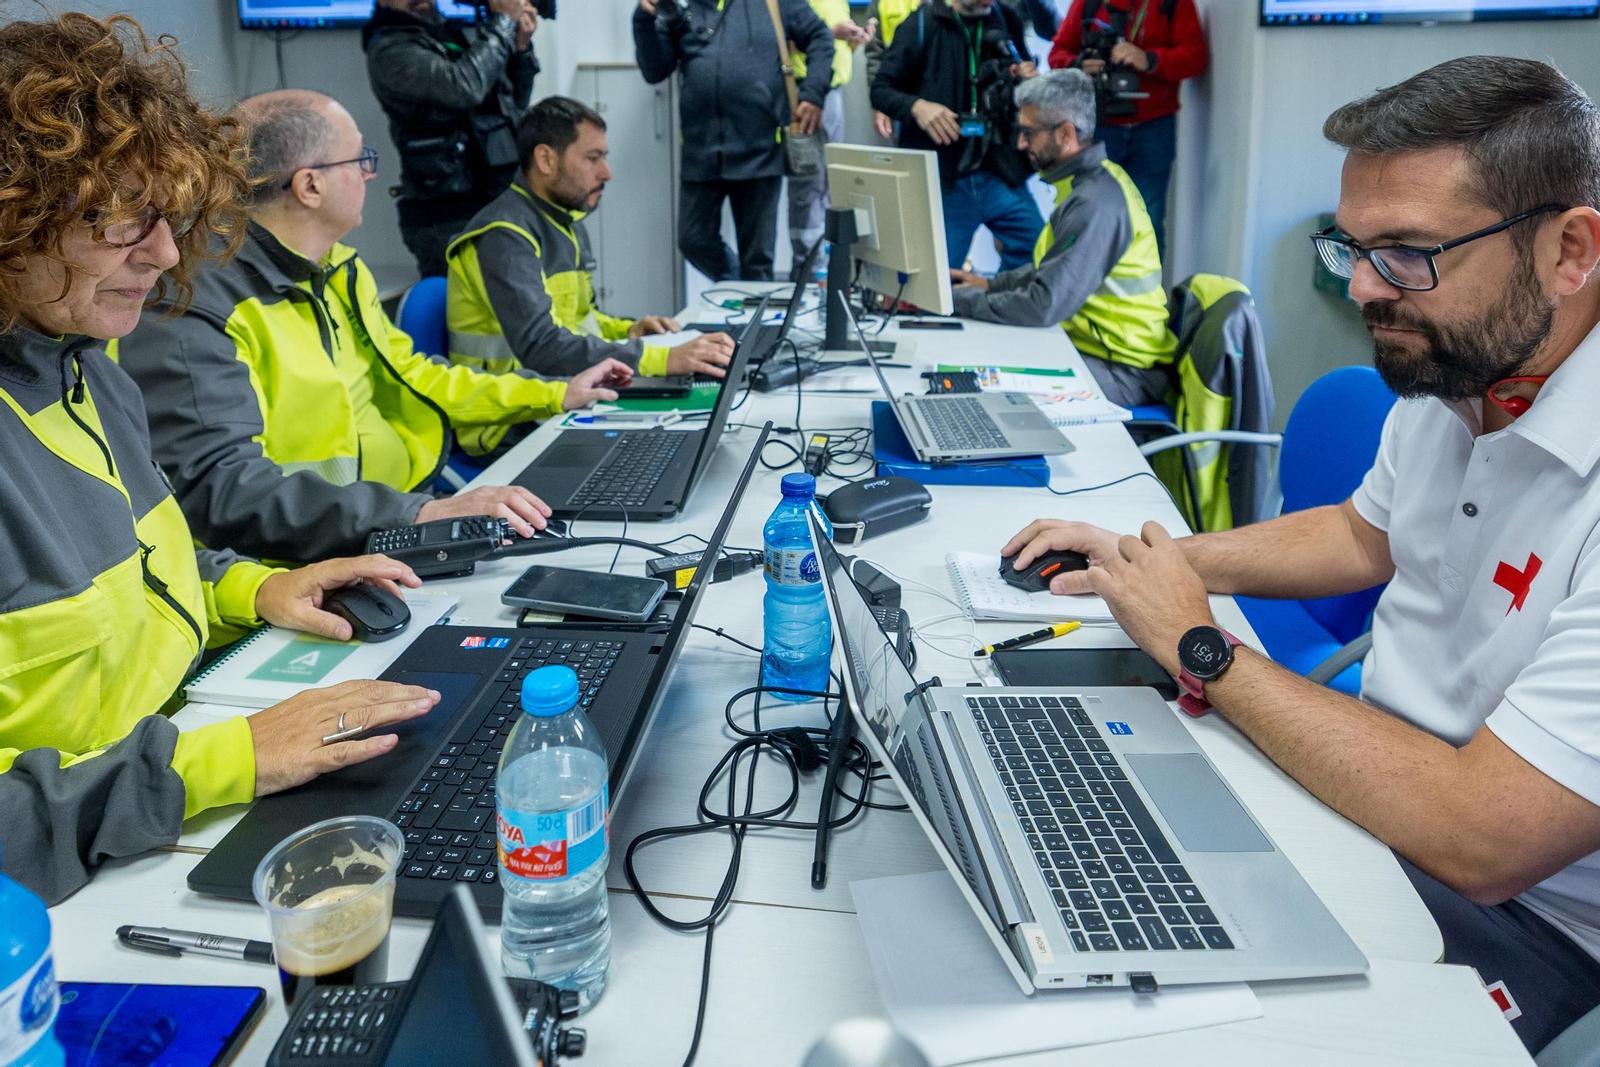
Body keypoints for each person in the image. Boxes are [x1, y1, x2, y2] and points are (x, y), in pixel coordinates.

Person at [1003, 57, 1600, 1056]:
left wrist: (1202, 648)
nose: (1364, 288)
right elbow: (1363, 533)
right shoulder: (1465, 374)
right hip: (1375, 808)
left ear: (1569, 249)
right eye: (1352, 247)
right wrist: (1148, 555)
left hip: (1518, 922)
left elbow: (1484, 838)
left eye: (1408, 252)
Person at [0, 11, 445, 906]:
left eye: (169, 220)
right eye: (129, 223)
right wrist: (226, 759)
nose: (166, 257)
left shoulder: (89, 370)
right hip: (74, 890)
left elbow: (143, 571)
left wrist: (254, 587)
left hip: (169, 799)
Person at [116, 90, 632, 566]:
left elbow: (416, 375)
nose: (369, 175)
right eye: (360, 160)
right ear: (310, 185)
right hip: (302, 563)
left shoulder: (340, 266)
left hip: (392, 525)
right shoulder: (192, 304)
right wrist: (414, 517)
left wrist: (553, 394)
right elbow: (224, 491)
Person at [445, 96, 736, 384]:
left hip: (558, 393)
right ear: (546, 159)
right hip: (510, 419)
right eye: (592, 158)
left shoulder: (565, 220)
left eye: (604, 158)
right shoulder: (505, 235)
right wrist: (659, 358)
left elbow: (582, 320)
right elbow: (541, 348)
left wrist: (630, 332)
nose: (606, 173)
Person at [951, 68, 1174, 406]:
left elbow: (1044, 304)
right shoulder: (1088, 183)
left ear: (1066, 133)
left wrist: (955, 303)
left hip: (1124, 370)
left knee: (989, 391)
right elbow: (1054, 270)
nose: (1020, 143)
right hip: (1097, 352)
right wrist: (988, 286)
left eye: (1029, 132)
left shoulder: (1094, 203)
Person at [633, 0, 833, 282]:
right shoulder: (684, 5)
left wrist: (813, 93)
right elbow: (655, 70)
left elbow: (821, 37)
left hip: (761, 151)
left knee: (758, 259)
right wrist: (644, 18)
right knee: (693, 240)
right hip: (700, 151)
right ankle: (740, 286)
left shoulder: (776, 3)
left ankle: (753, 307)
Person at [363, 0, 540, 277]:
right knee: (464, 315)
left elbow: (514, 102)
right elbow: (464, 87)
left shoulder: (448, 34)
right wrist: (503, 22)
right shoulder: (389, 48)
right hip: (446, 215)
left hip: (494, 196)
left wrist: (521, 48)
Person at [871, 0, 1045, 272]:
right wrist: (917, 107)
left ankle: (999, 305)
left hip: (999, 170)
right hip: (945, 179)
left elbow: (1024, 75)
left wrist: (1026, 79)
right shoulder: (922, 23)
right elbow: (881, 90)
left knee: (1038, 254)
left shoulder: (1005, 18)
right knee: (936, 282)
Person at [1048, 0, 1206, 262]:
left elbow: (1195, 58)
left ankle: (1147, 299)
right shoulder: (1088, 4)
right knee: (1089, 218)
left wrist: (1149, 59)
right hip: (1098, 128)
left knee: (1148, 220)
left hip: (1153, 128)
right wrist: (1079, 64)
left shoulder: (1175, 3)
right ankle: (1086, 295)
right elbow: (1056, 54)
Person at [786, 4, 875, 276]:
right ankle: (807, 272)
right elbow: (773, 43)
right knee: (808, 187)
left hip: (832, 93)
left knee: (827, 187)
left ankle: (822, 269)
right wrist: (831, 33)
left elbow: (835, 51)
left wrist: (856, 38)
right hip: (804, 94)